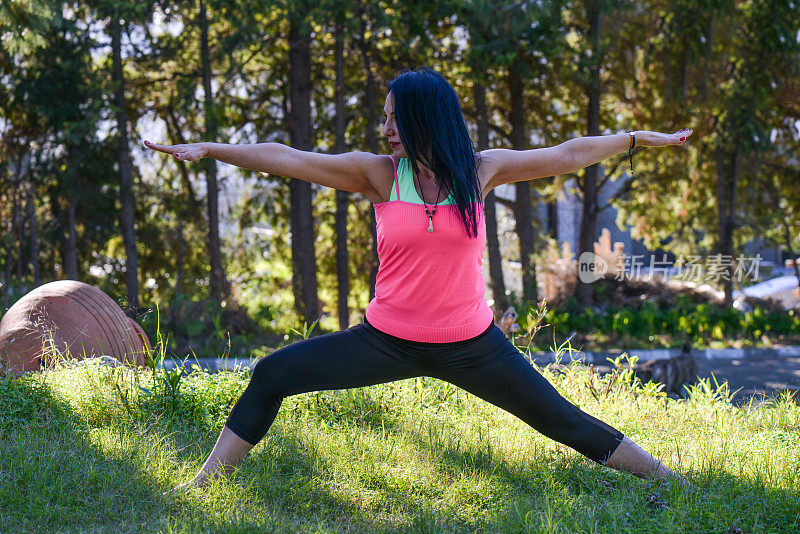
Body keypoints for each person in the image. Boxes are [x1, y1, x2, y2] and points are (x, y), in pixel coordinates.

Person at [145, 67, 693, 491]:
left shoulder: (479, 171)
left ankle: (671, 481)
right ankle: (204, 486)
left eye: (395, 119)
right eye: (383, 118)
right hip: (387, 342)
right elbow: (287, 157)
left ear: (426, 118)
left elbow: (569, 154)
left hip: (473, 346)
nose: (385, 130)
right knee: (270, 373)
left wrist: (640, 139)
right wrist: (212, 149)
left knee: (562, 420)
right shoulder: (379, 175)